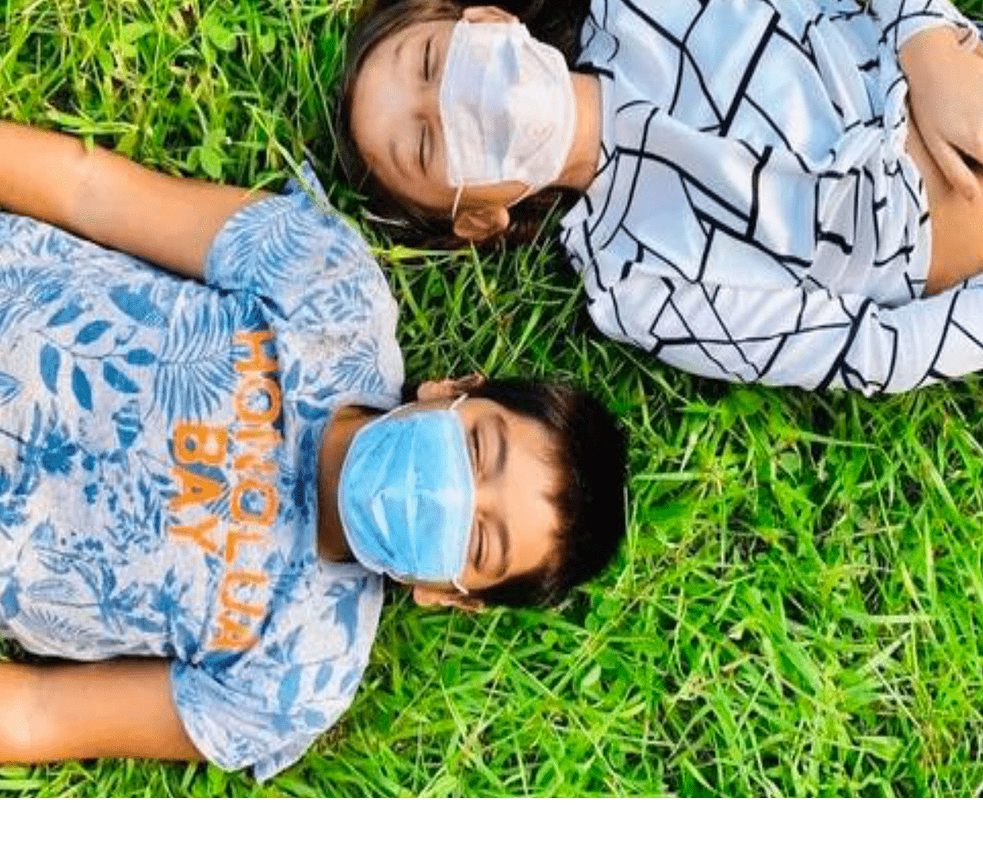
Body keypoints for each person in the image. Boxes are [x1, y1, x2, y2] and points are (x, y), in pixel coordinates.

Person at [0, 121, 627, 779]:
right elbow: (91, 190)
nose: (444, 495)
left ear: (451, 596)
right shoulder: (333, 293)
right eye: (476, 448)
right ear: (453, 389)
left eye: (477, 540)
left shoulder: (300, 675)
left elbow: (40, 713)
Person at [340, 0, 983, 394]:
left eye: (430, 63)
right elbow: (867, 351)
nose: (452, 104)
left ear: (489, 19)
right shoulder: (633, 288)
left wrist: (929, 47)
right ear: (479, 220)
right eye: (424, 144)